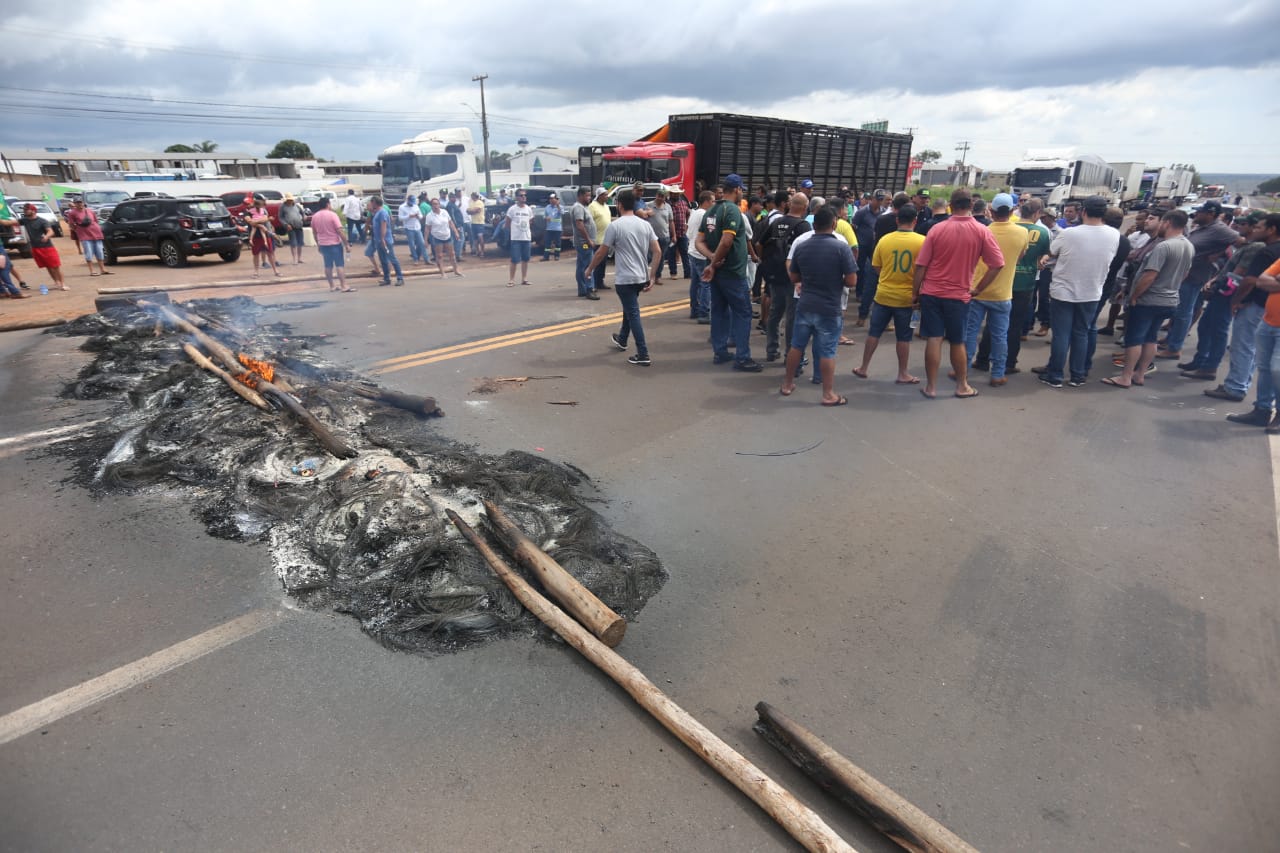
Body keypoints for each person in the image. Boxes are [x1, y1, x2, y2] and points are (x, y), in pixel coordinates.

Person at [911, 188, 1005, 399]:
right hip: (959, 295)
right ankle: (962, 386)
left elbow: (921, 266)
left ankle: (931, 387)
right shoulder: (982, 231)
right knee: (957, 341)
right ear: (971, 205)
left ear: (951, 206)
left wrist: (915, 293)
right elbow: (997, 264)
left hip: (932, 293)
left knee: (934, 339)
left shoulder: (937, 229)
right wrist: (979, 288)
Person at [1102, 210, 1195, 388]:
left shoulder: (1164, 246)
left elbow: (1150, 275)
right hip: (1169, 299)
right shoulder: (1188, 245)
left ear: (1167, 223)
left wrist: (1135, 295)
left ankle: (1126, 376)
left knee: (1134, 338)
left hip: (1149, 300)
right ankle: (1140, 374)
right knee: (1150, 338)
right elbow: (1185, 273)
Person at [1032, 195, 1117, 387]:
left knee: (1062, 335)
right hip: (1092, 292)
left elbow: (1052, 252)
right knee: (1081, 333)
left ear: (1083, 212)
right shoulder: (1113, 234)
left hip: (1064, 291)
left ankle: (1055, 376)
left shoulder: (1070, 233)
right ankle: (1078, 375)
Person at [779, 206, 858, 404]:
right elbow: (851, 281)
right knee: (827, 351)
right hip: (829, 307)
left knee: (796, 346)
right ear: (834, 224)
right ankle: (828, 394)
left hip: (805, 305)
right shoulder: (841, 248)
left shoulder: (803, 246)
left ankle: (787, 384)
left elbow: (794, 276)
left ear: (814, 225)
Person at [1206, 214, 1280, 402]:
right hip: (1266, 306)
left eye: (1259, 227)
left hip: (1254, 304)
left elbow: (1250, 280)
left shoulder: (1265, 251)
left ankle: (1235, 386)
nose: (1255, 230)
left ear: (1271, 230)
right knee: (1253, 350)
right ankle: (1240, 382)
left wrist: (1236, 301)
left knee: (1242, 345)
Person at [1158, 200, 1245, 360]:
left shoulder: (1220, 229)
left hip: (1195, 276)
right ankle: (1171, 339)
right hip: (1188, 273)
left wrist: (1220, 254)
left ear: (1210, 214)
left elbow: (1243, 244)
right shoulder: (1205, 227)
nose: (1196, 214)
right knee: (1183, 310)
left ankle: (1174, 347)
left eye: (1200, 212)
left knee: (1183, 312)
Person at [585, 189, 660, 367]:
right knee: (630, 307)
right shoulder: (644, 225)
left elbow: (602, 252)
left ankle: (643, 353)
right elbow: (657, 251)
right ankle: (622, 338)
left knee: (633, 312)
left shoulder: (616, 225)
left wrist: (589, 269)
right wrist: (652, 276)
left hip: (625, 278)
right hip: (640, 277)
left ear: (619, 205)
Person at [696, 173, 763, 372]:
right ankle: (742, 357)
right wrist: (714, 262)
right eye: (741, 189)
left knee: (719, 312)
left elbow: (698, 242)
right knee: (743, 313)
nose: (742, 192)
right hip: (732, 272)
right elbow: (726, 241)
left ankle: (720, 351)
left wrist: (711, 260)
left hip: (717, 274)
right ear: (736, 190)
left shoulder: (710, 211)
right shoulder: (732, 210)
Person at [976, 197, 1049, 375]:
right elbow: (1043, 255)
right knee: (1014, 326)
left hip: (999, 280)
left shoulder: (999, 229)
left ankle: (982, 359)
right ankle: (1008, 363)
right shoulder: (1043, 232)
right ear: (1037, 213)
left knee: (992, 325)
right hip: (1025, 284)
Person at [854, 203, 923, 384]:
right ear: (915, 221)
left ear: (897, 220)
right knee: (904, 338)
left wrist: (887, 276)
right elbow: (926, 269)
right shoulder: (922, 242)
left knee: (874, 333)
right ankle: (903, 373)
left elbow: (875, 266)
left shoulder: (884, 240)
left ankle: (863, 367)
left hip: (883, 295)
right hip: (908, 298)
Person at [964, 194, 1028, 387]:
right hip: (1003, 293)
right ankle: (998, 373)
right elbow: (1019, 257)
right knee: (1000, 335)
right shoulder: (1022, 232)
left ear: (990, 212)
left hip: (978, 290)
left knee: (970, 332)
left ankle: (962, 369)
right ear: (1011, 211)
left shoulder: (982, 231)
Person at [1227, 255, 1280, 430]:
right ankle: (1262, 410)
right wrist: (1272, 280)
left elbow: (1268, 282)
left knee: (1276, 369)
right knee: (1263, 368)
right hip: (1268, 322)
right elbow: (1262, 281)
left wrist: (1276, 281)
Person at [757, 193, 811, 361]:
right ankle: (791, 355)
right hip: (793, 276)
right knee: (792, 316)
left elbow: (759, 243)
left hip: (774, 273)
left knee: (775, 312)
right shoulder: (803, 226)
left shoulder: (776, 222)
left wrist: (764, 261)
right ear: (804, 207)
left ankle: (772, 350)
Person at [310, 197, 353, 292]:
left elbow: (314, 233)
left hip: (323, 244)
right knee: (339, 265)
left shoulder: (315, 216)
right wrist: (346, 244)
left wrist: (318, 244)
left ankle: (332, 286)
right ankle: (343, 285)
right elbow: (340, 231)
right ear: (328, 204)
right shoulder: (332, 215)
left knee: (328, 265)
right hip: (334, 243)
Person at [686, 190, 714, 321]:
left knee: (695, 283)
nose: (714, 203)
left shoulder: (694, 213)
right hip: (700, 253)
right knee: (705, 283)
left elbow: (689, 233)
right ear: (707, 201)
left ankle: (695, 310)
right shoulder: (705, 214)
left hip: (692, 250)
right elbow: (708, 235)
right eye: (713, 201)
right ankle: (704, 312)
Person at [65, 197, 109, 277]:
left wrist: (97, 228)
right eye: (77, 202)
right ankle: (92, 271)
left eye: (80, 202)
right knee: (88, 252)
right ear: (74, 204)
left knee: (99, 251)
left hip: (96, 233)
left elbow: (96, 221)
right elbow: (71, 224)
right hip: (84, 235)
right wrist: (78, 230)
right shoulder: (72, 213)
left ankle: (103, 269)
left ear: (83, 202)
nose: (79, 204)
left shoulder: (90, 211)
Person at [367, 196, 404, 286]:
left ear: (375, 203)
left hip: (385, 240)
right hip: (379, 240)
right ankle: (386, 278)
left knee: (392, 258)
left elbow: (383, 226)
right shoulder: (377, 213)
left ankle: (400, 278)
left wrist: (383, 238)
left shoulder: (382, 213)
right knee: (383, 260)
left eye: (371, 202)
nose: (370, 204)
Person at [570, 187, 599, 300]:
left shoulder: (583, 207)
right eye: (587, 195)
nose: (589, 198)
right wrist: (589, 240)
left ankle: (582, 289)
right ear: (580, 196)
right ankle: (589, 289)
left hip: (583, 242)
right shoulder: (578, 208)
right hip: (584, 243)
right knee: (589, 265)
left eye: (589, 195)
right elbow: (580, 226)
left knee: (581, 266)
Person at [424, 197, 463, 277]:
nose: (436, 205)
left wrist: (456, 232)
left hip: (447, 235)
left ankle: (456, 270)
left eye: (437, 204)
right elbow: (427, 229)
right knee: (439, 255)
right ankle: (442, 272)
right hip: (437, 237)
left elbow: (450, 222)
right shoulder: (429, 215)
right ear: (431, 205)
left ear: (439, 204)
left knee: (452, 254)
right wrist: (425, 240)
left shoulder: (444, 212)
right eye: (434, 204)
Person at [501, 189, 533, 286]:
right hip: (516, 239)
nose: (523, 197)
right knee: (514, 259)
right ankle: (511, 280)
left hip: (526, 238)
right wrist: (515, 230)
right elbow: (507, 223)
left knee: (525, 259)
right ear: (517, 197)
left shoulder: (528, 209)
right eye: (521, 195)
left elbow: (531, 220)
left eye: (525, 195)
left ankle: (524, 279)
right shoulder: (512, 209)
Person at [244, 194, 281, 278]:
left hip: (265, 234)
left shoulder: (263, 210)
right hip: (256, 236)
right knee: (256, 254)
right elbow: (251, 222)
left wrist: (257, 221)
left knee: (270, 253)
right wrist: (261, 223)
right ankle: (256, 272)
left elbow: (261, 220)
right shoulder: (248, 212)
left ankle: (275, 270)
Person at [588, 187, 613, 292]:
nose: (607, 197)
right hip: (597, 239)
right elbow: (589, 223)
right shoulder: (592, 206)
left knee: (603, 263)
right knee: (596, 263)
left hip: (605, 240)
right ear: (599, 196)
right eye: (605, 195)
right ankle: (593, 283)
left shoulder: (606, 206)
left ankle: (600, 282)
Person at [647, 188, 673, 283]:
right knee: (648, 256)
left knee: (660, 258)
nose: (660, 198)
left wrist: (673, 235)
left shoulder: (668, 207)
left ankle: (657, 277)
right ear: (656, 195)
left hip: (664, 236)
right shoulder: (648, 205)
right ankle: (644, 276)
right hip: (651, 237)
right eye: (659, 196)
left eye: (663, 196)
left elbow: (671, 221)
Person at [668, 190, 691, 279]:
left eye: (677, 193)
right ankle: (673, 273)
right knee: (671, 253)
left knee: (685, 253)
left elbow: (688, 214)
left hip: (682, 232)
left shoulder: (683, 203)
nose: (676, 195)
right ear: (670, 194)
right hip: (671, 233)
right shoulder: (667, 204)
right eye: (674, 193)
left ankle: (688, 273)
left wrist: (687, 224)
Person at [279, 194, 306, 265]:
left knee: (300, 243)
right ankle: (294, 259)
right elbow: (280, 217)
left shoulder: (296, 206)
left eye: (291, 200)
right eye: (289, 200)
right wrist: (286, 224)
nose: (290, 201)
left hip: (299, 225)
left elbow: (302, 212)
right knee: (293, 243)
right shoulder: (283, 207)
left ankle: (299, 258)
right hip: (290, 226)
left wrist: (303, 217)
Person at [399, 194, 426, 264]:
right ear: (407, 200)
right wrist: (409, 216)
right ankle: (415, 259)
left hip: (417, 227)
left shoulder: (416, 206)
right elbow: (400, 218)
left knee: (422, 243)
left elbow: (421, 216)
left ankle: (426, 259)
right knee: (412, 244)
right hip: (409, 228)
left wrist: (418, 216)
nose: (412, 204)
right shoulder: (402, 207)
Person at [541, 194, 563, 262]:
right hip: (549, 228)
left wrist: (558, 205)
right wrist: (546, 218)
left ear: (556, 199)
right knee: (547, 243)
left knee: (557, 243)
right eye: (550, 199)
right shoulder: (547, 207)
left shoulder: (560, 207)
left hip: (557, 228)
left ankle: (557, 256)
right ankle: (546, 256)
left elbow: (562, 213)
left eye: (553, 198)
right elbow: (544, 216)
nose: (551, 200)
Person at [466, 192, 487, 257]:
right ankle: (478, 251)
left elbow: (477, 210)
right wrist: (472, 211)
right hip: (473, 222)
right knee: (475, 239)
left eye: (473, 196)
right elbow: (468, 211)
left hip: (480, 223)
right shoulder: (471, 203)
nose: (472, 197)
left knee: (480, 238)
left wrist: (471, 211)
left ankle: (482, 251)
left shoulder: (480, 202)